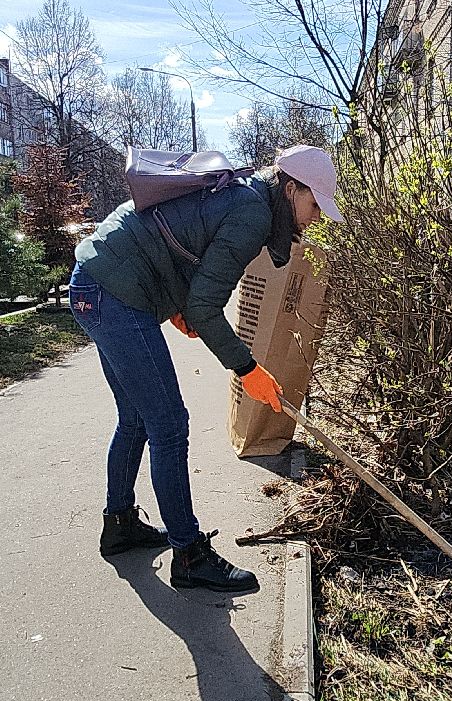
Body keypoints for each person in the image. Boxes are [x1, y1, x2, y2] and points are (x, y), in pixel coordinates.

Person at [69, 143, 342, 595]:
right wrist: (247, 369)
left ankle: (119, 526)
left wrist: (183, 308)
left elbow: (183, 250)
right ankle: (189, 554)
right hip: (115, 292)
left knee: (137, 418)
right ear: (292, 190)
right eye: (314, 205)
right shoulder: (252, 212)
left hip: (97, 284)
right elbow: (206, 304)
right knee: (169, 424)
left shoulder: (244, 195)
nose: (315, 218)